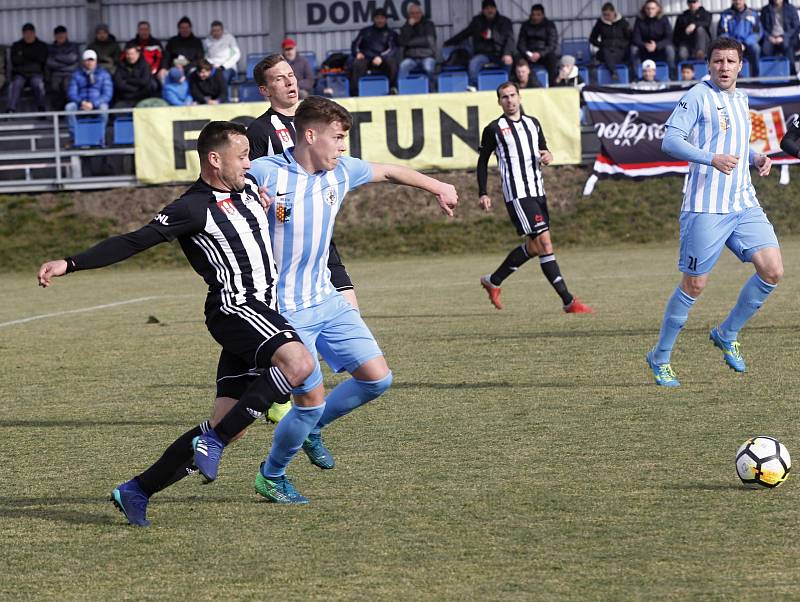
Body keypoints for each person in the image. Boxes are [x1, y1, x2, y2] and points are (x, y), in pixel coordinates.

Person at [36, 121, 316, 525]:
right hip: (236, 308)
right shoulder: (191, 207)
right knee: (299, 364)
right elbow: (134, 240)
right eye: (242, 157)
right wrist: (71, 263)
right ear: (214, 160)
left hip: (261, 314)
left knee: (231, 423)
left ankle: (136, 490)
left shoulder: (250, 188)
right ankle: (212, 443)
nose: (249, 163)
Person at [192, 96, 458, 504]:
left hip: (327, 300)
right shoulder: (265, 172)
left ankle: (313, 429)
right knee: (306, 403)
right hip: (285, 313)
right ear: (310, 135)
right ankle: (272, 475)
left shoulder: (341, 171)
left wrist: (437, 186)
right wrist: (247, 195)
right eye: (337, 138)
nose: (342, 147)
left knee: (377, 379)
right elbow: (216, 190)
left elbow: (387, 171)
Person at [646, 37, 779, 387]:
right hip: (706, 206)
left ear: (740, 65)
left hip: (743, 202)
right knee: (695, 284)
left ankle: (727, 332)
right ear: (708, 64)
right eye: (718, 61)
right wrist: (710, 158)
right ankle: (660, 357)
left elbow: (736, 141)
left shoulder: (741, 96)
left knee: (773, 271)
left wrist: (756, 157)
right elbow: (670, 140)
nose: (724, 67)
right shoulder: (697, 96)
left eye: (730, 61)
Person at [245, 54, 361, 424]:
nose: (290, 82)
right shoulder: (260, 132)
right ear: (265, 90)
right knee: (292, 331)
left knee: (349, 309)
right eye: (279, 79)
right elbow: (252, 181)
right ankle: (287, 394)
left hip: (322, 238)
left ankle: (310, 393)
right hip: (284, 243)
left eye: (291, 75)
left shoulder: (317, 118)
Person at [477, 81, 593, 315]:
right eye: (504, 97)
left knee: (533, 246)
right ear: (499, 102)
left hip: (537, 191)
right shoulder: (494, 129)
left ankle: (494, 280)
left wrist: (548, 156)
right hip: (518, 194)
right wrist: (483, 192)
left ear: (519, 97)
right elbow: (482, 162)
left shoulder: (533, 124)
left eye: (512, 95)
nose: (509, 101)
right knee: (545, 244)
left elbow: (543, 150)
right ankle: (568, 301)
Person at [444, 0, 514, 88]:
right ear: (483, 11)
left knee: (508, 62)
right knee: (473, 63)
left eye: (492, 8)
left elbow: (510, 40)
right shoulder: (477, 21)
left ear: (495, 9)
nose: (490, 11)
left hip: (500, 54)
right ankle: (474, 86)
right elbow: (465, 33)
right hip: (483, 54)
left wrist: (507, 54)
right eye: (487, 9)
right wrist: (449, 42)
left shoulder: (505, 21)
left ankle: (507, 86)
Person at [66, 49, 113, 145]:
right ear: (83, 61)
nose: (90, 62)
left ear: (96, 61)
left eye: (92, 60)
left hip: (97, 103)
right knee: (69, 107)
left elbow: (107, 94)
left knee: (104, 108)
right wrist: (82, 102)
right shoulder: (76, 74)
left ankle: (101, 138)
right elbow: (72, 93)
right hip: (81, 103)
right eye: (87, 60)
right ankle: (74, 137)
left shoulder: (104, 74)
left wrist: (93, 103)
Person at [349, 7, 399, 95]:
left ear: (386, 19)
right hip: (367, 58)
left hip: (382, 60)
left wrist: (381, 57)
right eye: (377, 18)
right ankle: (355, 92)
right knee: (356, 62)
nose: (380, 20)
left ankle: (392, 88)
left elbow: (392, 49)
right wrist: (357, 53)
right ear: (374, 19)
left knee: (392, 62)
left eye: (382, 18)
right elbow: (355, 44)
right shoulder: (365, 31)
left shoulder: (391, 33)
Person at [7, 23, 48, 113]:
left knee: (38, 84)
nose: (28, 35)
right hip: (20, 74)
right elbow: (15, 61)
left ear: (34, 33)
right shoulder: (16, 45)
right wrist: (33, 58)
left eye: (30, 33)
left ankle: (41, 109)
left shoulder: (42, 45)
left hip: (36, 74)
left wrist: (24, 56)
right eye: (26, 33)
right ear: (23, 34)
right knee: (16, 84)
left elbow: (42, 60)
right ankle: (11, 110)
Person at [397, 2, 437, 91]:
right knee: (403, 66)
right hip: (411, 58)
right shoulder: (406, 26)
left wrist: (409, 42)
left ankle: (432, 91)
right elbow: (401, 42)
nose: (415, 15)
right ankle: (402, 91)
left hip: (426, 56)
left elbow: (428, 41)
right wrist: (409, 26)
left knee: (428, 67)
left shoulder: (428, 24)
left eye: (417, 13)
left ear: (421, 13)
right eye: (412, 13)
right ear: (408, 15)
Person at [631, 0, 675, 79]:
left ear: (658, 9)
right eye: (648, 8)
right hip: (644, 48)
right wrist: (645, 45)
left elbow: (669, 37)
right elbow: (635, 38)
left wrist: (657, 45)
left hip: (660, 48)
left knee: (670, 49)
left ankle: (672, 76)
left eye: (652, 8)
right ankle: (636, 77)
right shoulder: (640, 20)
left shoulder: (663, 19)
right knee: (633, 49)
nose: (650, 11)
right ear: (644, 9)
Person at [517, 4, 560, 83]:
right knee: (517, 60)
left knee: (553, 60)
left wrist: (540, 54)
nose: (535, 17)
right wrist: (528, 53)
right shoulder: (525, 26)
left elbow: (552, 45)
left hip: (544, 54)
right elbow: (521, 44)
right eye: (533, 15)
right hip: (528, 54)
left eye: (538, 15)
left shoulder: (550, 26)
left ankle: (553, 85)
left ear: (543, 15)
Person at [589, 3, 632, 81]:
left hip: (619, 50)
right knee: (606, 52)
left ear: (613, 12)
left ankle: (613, 72)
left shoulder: (623, 23)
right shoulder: (600, 23)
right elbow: (592, 39)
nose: (606, 17)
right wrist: (601, 45)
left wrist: (622, 45)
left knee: (610, 55)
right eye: (604, 15)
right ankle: (613, 72)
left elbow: (630, 38)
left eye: (608, 14)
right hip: (605, 50)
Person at [718, 0, 762, 75]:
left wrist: (745, 43)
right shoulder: (725, 14)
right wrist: (735, 44)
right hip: (731, 44)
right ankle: (731, 76)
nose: (738, 2)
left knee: (756, 48)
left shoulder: (753, 14)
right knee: (724, 49)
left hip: (748, 44)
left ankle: (756, 76)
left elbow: (757, 33)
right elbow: (723, 33)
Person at [760, 0, 800, 74]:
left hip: (787, 38)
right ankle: (769, 75)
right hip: (771, 38)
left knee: (787, 46)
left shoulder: (791, 9)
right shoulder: (766, 9)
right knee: (765, 49)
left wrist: (783, 37)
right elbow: (761, 27)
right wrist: (769, 37)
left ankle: (792, 74)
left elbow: (796, 27)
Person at [160, 16, 204, 81]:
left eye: (187, 28)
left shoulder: (197, 42)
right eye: (182, 28)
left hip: (191, 67)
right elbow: (166, 57)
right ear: (179, 29)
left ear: (190, 28)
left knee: (194, 72)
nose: (185, 30)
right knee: (163, 73)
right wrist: (164, 68)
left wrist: (185, 66)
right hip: (174, 67)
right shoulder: (172, 41)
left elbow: (199, 59)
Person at [46, 25, 79, 110]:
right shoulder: (51, 48)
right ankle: (58, 113)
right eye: (58, 35)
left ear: (66, 34)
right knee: (54, 87)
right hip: (56, 74)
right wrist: (65, 62)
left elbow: (72, 58)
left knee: (68, 87)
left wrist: (57, 57)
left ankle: (70, 112)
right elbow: (49, 62)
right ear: (55, 36)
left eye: (62, 34)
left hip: (70, 73)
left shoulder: (72, 46)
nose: (60, 36)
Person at [203, 20, 240, 84]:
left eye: (218, 30)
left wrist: (223, 66)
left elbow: (236, 55)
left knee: (222, 78)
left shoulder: (229, 38)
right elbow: (205, 56)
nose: (216, 33)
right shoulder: (207, 41)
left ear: (222, 30)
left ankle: (223, 94)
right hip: (212, 66)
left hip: (227, 67)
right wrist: (210, 65)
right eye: (214, 31)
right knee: (205, 77)